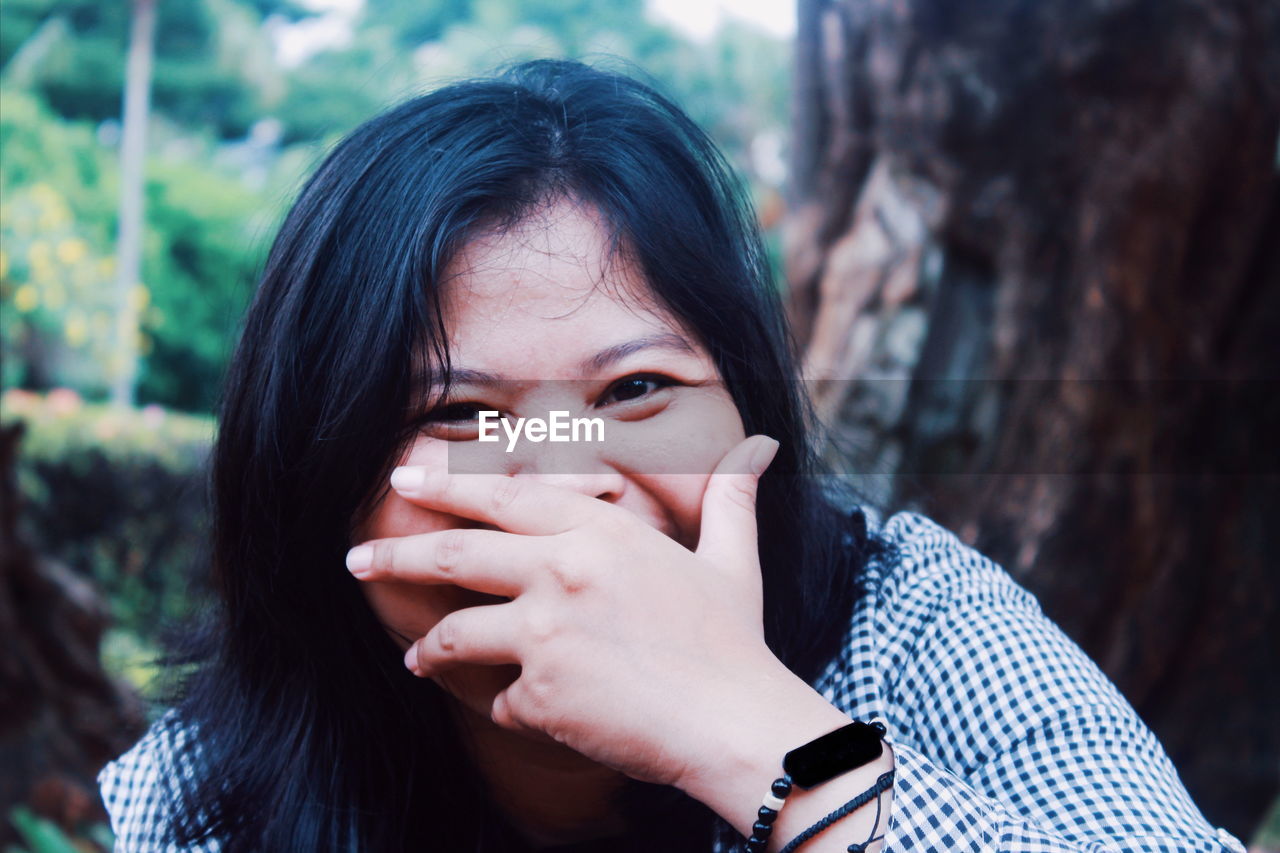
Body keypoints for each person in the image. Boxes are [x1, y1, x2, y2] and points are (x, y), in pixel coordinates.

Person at [98, 60, 1245, 853]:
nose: (567, 486)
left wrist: (749, 733)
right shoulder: (205, 793)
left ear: (753, 413)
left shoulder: (914, 625)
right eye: (458, 413)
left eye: (635, 389)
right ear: (314, 482)